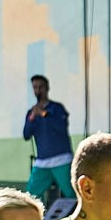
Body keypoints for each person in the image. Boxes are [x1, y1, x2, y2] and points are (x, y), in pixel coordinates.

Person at [23, 75, 73, 205]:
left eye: (40, 87)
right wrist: (32, 118)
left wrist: (44, 114)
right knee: (30, 195)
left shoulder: (56, 108)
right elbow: (26, 135)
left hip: (61, 158)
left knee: (71, 193)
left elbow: (61, 127)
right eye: (35, 88)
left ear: (47, 88)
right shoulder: (32, 111)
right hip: (43, 161)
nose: (38, 91)